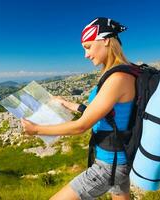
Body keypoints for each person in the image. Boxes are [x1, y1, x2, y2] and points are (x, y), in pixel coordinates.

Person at [21, 17, 135, 200]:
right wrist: (67, 104)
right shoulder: (121, 73)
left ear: (105, 40)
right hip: (119, 159)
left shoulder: (117, 78)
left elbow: (81, 126)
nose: (86, 55)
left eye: (88, 47)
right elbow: (106, 114)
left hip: (109, 165)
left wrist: (36, 130)